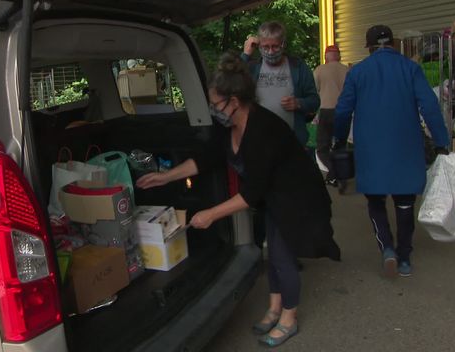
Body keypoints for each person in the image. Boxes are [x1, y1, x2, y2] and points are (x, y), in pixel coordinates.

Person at [136, 52, 340, 348]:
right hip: (274, 195)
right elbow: (206, 159)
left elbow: (250, 194)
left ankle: (289, 318)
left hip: (298, 197)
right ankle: (273, 308)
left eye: (216, 105)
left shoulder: (263, 130)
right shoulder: (228, 127)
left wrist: (210, 214)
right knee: (273, 254)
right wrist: (166, 177)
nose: (213, 110)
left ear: (234, 101)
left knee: (283, 258)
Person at [333, 25, 449, 278]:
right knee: (405, 204)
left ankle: (386, 249)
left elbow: (342, 110)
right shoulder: (410, 68)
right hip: (406, 147)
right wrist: (441, 142)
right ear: (394, 44)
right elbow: (430, 106)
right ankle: (405, 257)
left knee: (376, 202)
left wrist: (339, 139)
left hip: (370, 149)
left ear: (369, 46)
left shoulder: (358, 72)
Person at [242, 21, 320, 251]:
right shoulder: (253, 68)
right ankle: (257, 248)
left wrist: (299, 103)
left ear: (283, 44)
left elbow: (315, 100)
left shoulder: (297, 67)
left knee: (290, 200)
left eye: (275, 46)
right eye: (265, 46)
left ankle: (288, 252)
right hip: (259, 145)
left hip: (291, 145)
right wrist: (246, 54)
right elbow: (231, 83)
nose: (270, 51)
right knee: (260, 199)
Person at [313, 45, 349, 186]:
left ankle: (333, 171)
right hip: (343, 111)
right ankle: (337, 174)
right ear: (338, 55)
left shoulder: (319, 70)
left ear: (326, 56)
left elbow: (314, 91)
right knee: (340, 145)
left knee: (322, 146)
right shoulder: (347, 71)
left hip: (326, 111)